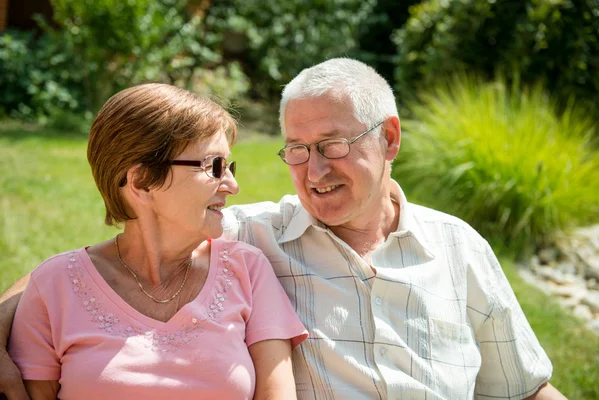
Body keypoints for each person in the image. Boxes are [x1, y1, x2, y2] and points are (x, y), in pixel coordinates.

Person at [0, 58, 566, 399]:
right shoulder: (246, 235)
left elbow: (526, 388)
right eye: (296, 150)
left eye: (332, 146)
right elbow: (74, 275)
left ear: (389, 139)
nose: (314, 171)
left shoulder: (458, 245)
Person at [1, 83, 307, 400]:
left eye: (229, 167)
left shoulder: (248, 269)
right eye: (213, 166)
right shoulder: (54, 287)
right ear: (142, 182)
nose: (232, 185)